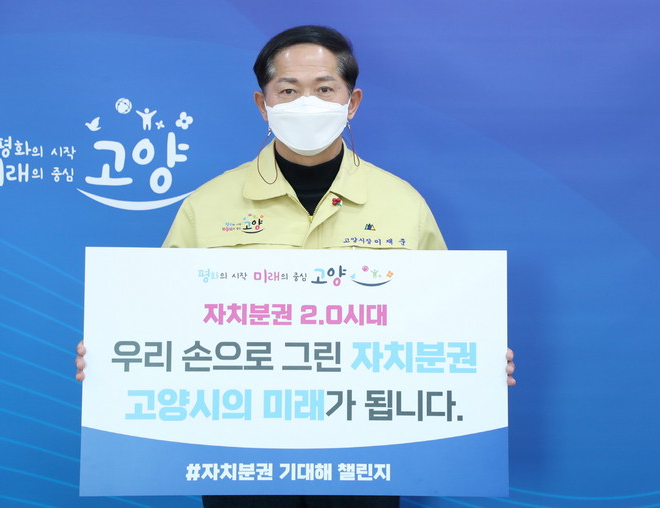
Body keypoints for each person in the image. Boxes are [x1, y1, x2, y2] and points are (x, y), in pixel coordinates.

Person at [75, 25, 516, 508]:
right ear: (263, 104)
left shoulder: (402, 204)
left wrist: (478, 360)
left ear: (352, 102)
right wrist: (114, 357)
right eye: (288, 90)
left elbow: (443, 315)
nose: (307, 103)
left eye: (324, 89)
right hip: (242, 451)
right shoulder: (209, 204)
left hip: (364, 448)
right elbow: (160, 317)